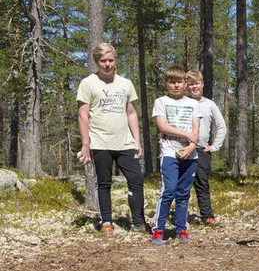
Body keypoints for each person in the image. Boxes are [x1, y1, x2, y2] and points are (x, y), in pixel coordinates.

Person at [76, 42, 149, 234]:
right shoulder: (88, 83)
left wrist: (137, 141)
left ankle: (138, 222)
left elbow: (131, 113)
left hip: (125, 142)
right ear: (96, 62)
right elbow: (83, 115)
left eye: (110, 60)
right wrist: (86, 144)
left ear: (115, 60)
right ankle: (106, 221)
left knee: (136, 179)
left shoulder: (125, 84)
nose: (107, 64)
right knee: (104, 182)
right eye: (103, 61)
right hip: (100, 141)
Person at [150, 66, 200, 246]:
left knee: (183, 193)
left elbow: (196, 131)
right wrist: (187, 136)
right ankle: (158, 229)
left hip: (190, 154)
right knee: (169, 189)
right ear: (166, 83)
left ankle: (181, 228)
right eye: (172, 82)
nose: (176, 85)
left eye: (179, 82)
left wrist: (191, 146)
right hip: (169, 152)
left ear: (185, 83)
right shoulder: (161, 101)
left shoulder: (194, 104)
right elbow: (162, 127)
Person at [185, 70, 228, 226]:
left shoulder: (210, 104)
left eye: (197, 83)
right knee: (180, 183)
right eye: (191, 84)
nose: (194, 87)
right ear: (186, 86)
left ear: (202, 85)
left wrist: (215, 146)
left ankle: (207, 216)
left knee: (202, 183)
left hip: (201, 149)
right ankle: (180, 217)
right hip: (182, 148)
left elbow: (221, 126)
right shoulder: (182, 102)